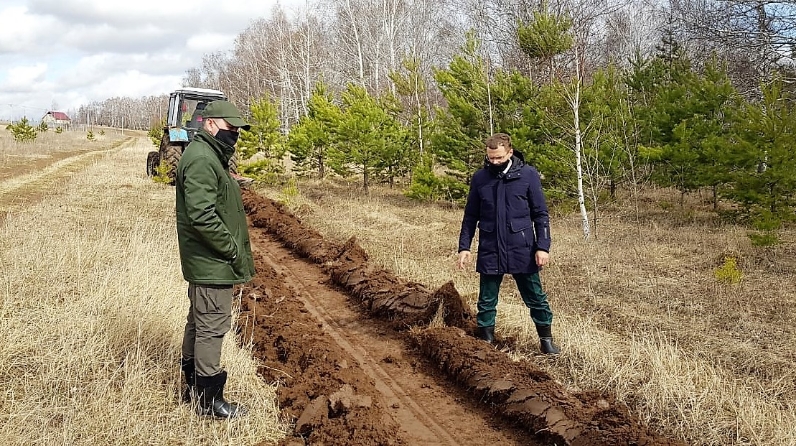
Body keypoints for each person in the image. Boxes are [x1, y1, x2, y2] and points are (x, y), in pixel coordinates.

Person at [175, 100, 256, 418]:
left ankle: (194, 392)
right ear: (209, 123)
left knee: (198, 323)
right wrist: (231, 250)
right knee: (211, 327)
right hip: (212, 262)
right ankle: (209, 402)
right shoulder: (201, 160)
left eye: (237, 129)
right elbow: (202, 216)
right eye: (230, 127)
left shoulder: (208, 156)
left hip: (209, 260)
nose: (234, 133)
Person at [456, 133, 560, 354]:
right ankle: (486, 341)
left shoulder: (528, 175)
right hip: (490, 247)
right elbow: (470, 216)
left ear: (510, 153)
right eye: (490, 158)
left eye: (499, 158)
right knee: (486, 299)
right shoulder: (480, 178)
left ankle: (546, 341)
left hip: (521, 248)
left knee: (535, 297)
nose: (494, 162)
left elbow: (540, 214)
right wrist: (464, 247)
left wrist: (543, 246)